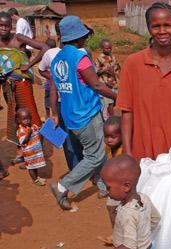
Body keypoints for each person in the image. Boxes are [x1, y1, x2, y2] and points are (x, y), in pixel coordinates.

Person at [117, 3, 171, 164]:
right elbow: (127, 112)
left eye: (167, 25)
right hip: (143, 154)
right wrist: (128, 152)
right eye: (156, 26)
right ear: (149, 28)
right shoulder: (133, 64)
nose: (162, 31)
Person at [48, 16, 117, 210]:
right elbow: (96, 85)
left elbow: (53, 90)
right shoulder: (80, 57)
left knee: (94, 151)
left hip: (69, 115)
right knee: (94, 156)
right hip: (86, 113)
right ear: (78, 38)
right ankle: (63, 186)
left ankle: (104, 186)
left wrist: (54, 113)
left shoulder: (57, 59)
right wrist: (117, 96)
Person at [0, 12, 48, 163]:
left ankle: (41, 147)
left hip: (22, 84)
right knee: (18, 116)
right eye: (0, 26)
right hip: (7, 86)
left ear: (11, 27)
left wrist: (29, 64)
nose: (3, 29)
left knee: (32, 116)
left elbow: (44, 47)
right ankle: (25, 151)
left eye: (6, 26)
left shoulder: (18, 38)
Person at [38, 21, 84, 171]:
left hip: (78, 101)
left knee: (82, 137)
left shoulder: (80, 52)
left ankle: (86, 168)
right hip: (60, 102)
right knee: (68, 141)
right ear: (59, 36)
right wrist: (52, 78)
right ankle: (75, 170)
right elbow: (41, 69)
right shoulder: (50, 54)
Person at [100, 155, 161, 249]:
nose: (106, 191)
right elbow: (156, 218)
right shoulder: (144, 198)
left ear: (126, 186)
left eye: (108, 187)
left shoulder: (127, 213)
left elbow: (129, 246)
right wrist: (142, 235)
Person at [101, 116, 123, 246]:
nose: (108, 140)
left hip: (125, 187)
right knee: (111, 207)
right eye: (106, 136)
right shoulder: (108, 148)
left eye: (112, 137)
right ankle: (117, 233)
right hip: (114, 186)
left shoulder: (126, 150)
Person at [16, 108, 47, 186]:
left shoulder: (33, 126)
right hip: (29, 154)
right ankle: (35, 180)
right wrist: (29, 134)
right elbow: (23, 142)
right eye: (24, 119)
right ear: (19, 120)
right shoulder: (21, 131)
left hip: (35, 151)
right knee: (31, 167)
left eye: (28, 118)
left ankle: (37, 177)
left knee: (35, 166)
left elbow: (38, 131)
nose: (27, 120)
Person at [95, 39, 120, 118]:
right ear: (102, 48)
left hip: (114, 83)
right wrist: (105, 70)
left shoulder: (113, 57)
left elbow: (118, 69)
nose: (109, 49)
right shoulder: (99, 58)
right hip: (105, 84)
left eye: (110, 48)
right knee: (109, 103)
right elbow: (96, 72)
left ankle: (113, 118)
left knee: (116, 101)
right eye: (106, 48)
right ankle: (111, 119)